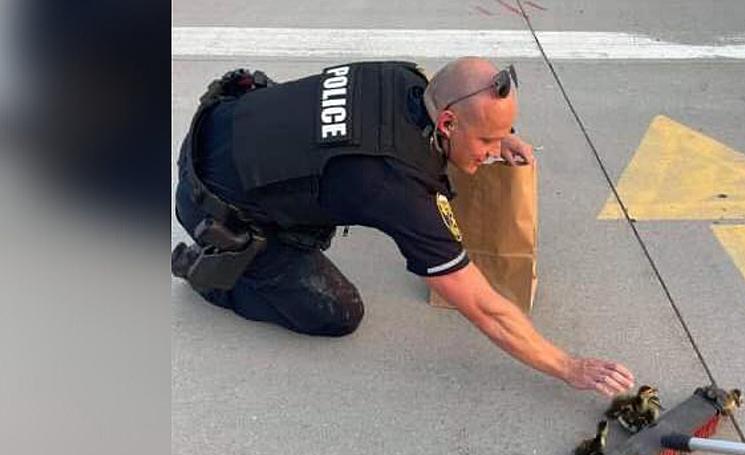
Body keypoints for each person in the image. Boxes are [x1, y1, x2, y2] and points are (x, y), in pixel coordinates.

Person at [172, 57, 635, 398]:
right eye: (488, 140)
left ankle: (280, 219)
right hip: (211, 203)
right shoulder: (396, 187)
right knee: (337, 314)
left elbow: (439, 108)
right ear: (449, 121)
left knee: (325, 191)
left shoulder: (405, 78)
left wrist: (497, 133)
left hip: (219, 123)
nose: (495, 151)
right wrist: (567, 365)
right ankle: (216, 278)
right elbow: (484, 306)